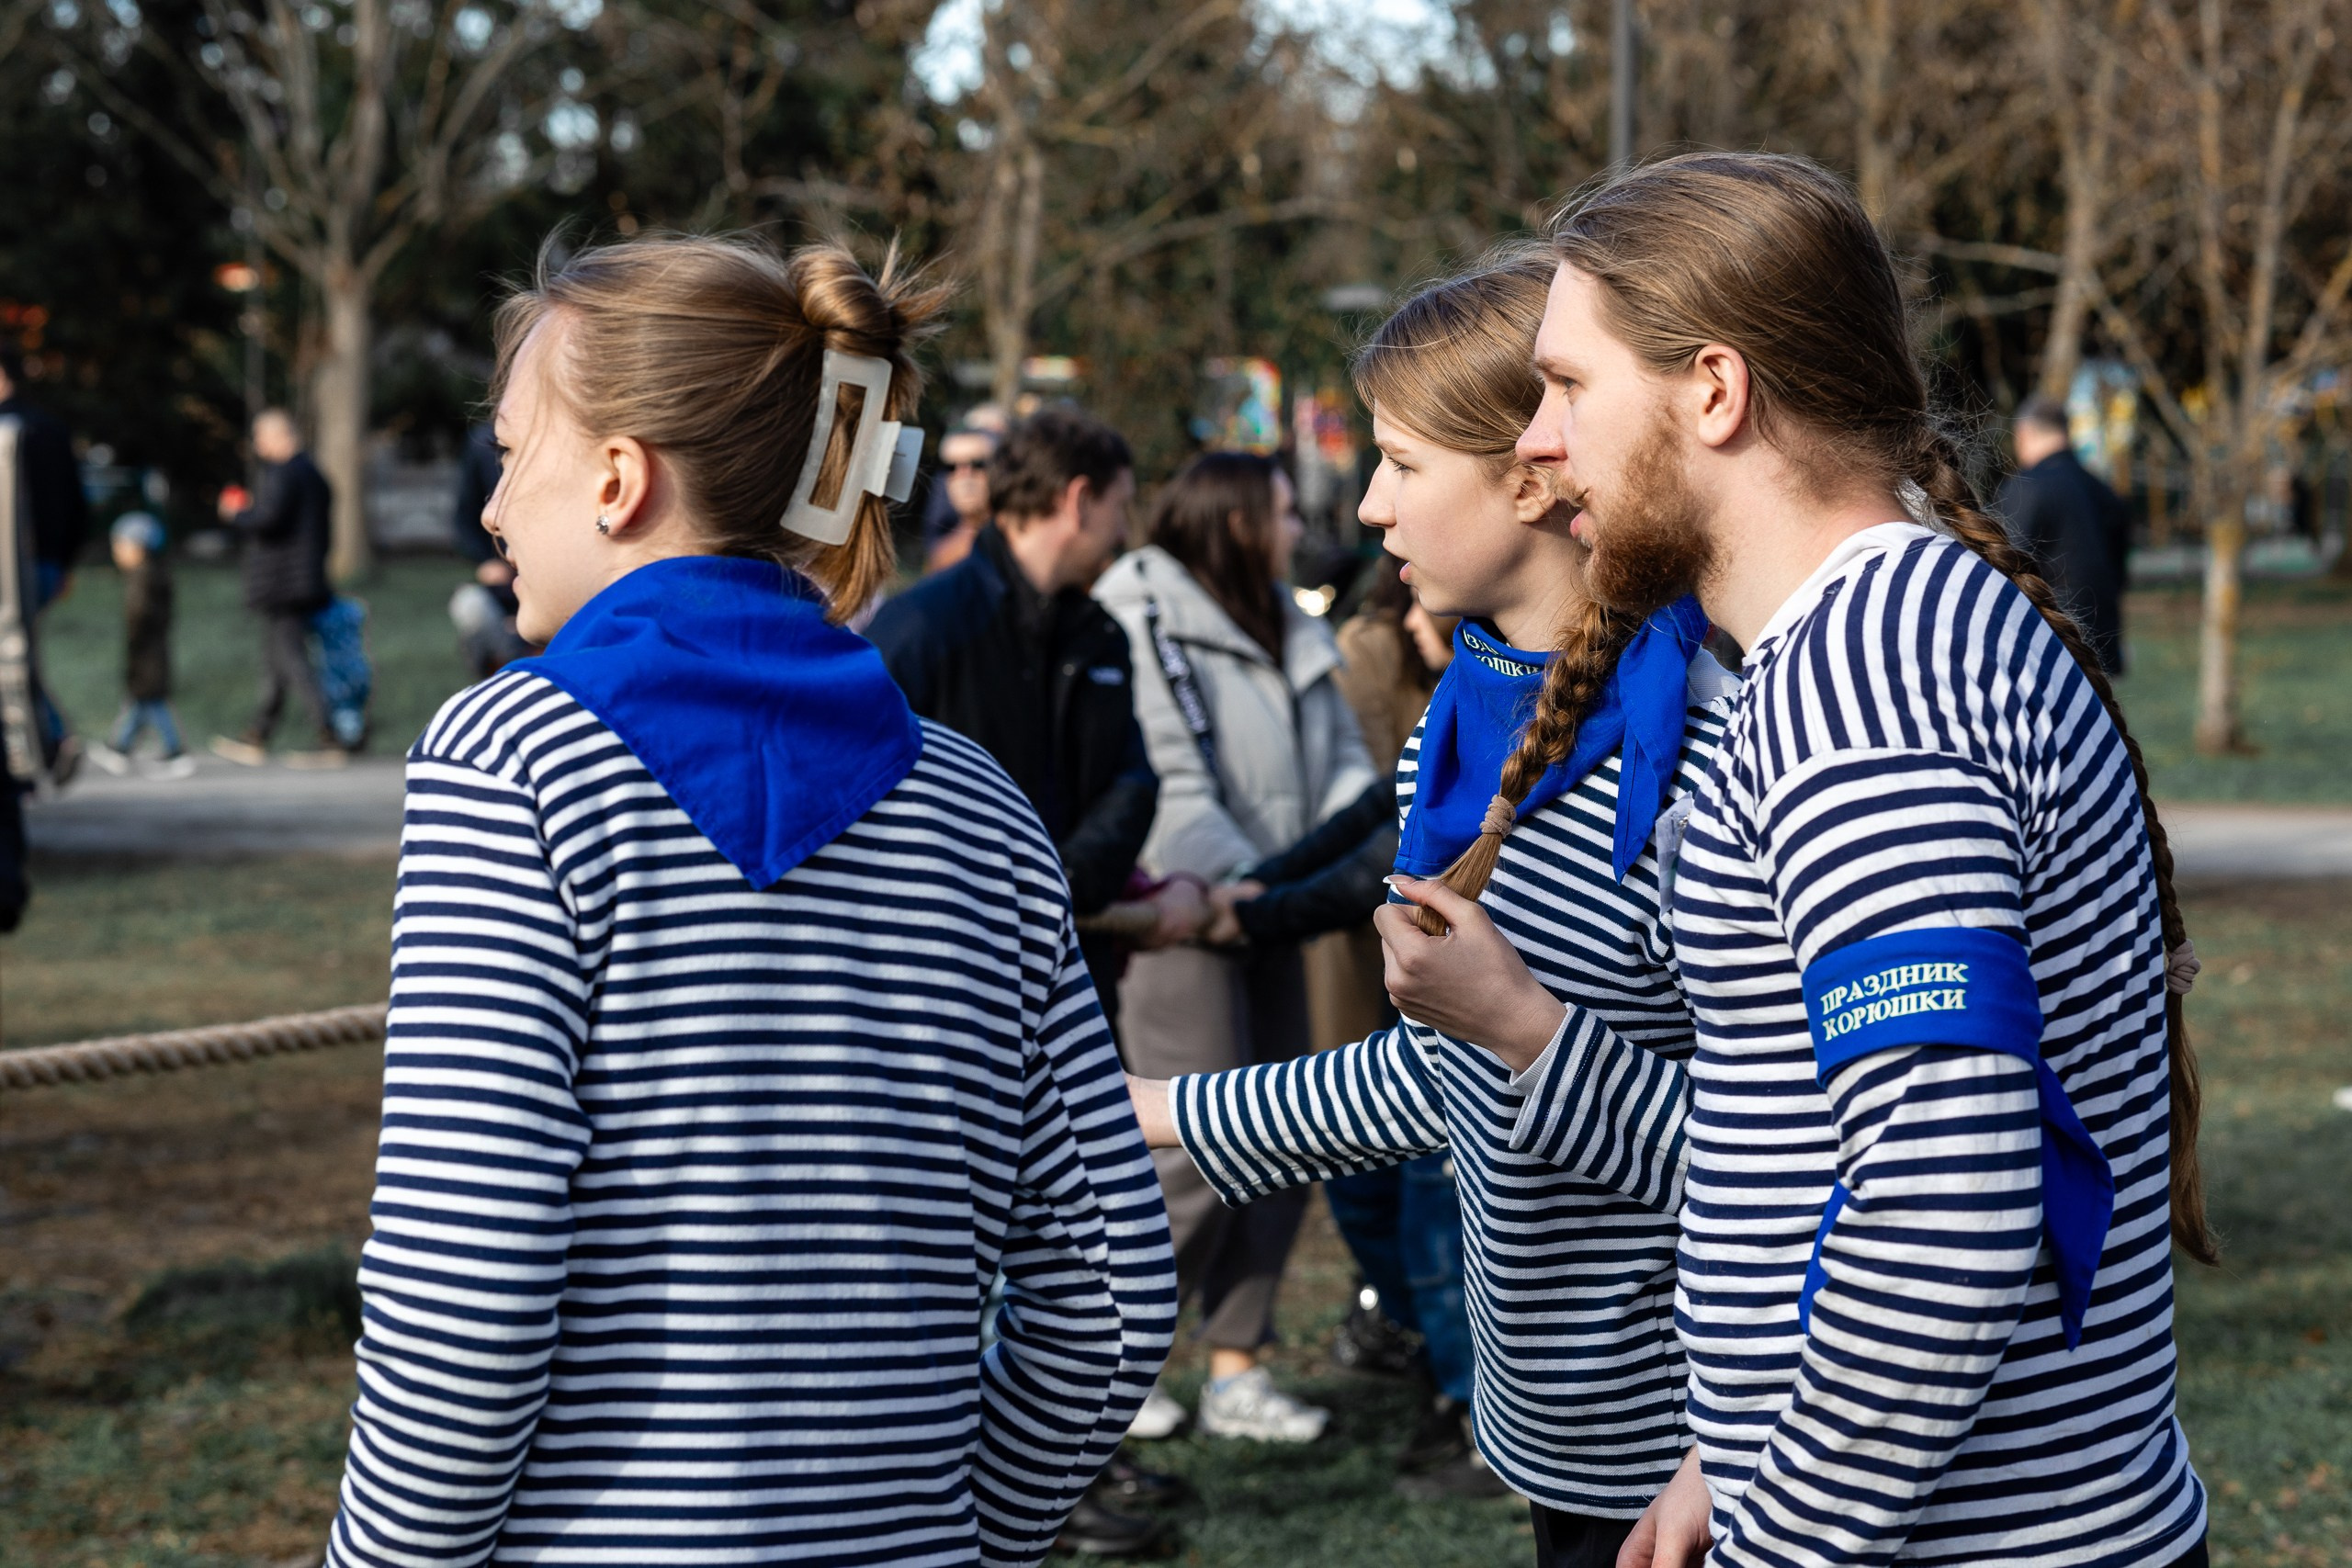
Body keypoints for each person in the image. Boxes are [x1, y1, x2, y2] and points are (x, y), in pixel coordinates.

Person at [320, 233, 1174, 1568]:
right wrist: (977, 1535)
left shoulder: (513, 765)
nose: (490, 508)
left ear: (617, 478)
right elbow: (1114, 1280)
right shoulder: (984, 807)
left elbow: (463, 1299)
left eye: (508, 453)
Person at [1407, 151, 2210, 1568]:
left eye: (1568, 387)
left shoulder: (1862, 696)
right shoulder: (1893, 634)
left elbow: (1944, 1208)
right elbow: (1820, 1144)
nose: (1534, 441)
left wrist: (1783, 1532)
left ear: (1714, 391)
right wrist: (1741, 1449)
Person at [1126, 254, 1734, 1563]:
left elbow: (1784, 1177)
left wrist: (1525, 1027)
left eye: (1401, 463)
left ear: (1530, 472)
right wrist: (1160, 1111)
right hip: (1564, 1437)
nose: (1368, 504)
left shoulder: (1694, 752)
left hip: (1711, 1457)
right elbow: (1446, 1075)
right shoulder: (1456, 733)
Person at [1095, 451, 1376, 1447]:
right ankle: (1107, 1360)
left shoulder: (1284, 615)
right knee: (1186, 1153)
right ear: (1233, 517)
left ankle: (1236, 1364)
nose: (1298, 526)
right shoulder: (1142, 611)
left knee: (1281, 1141)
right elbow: (1168, 776)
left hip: (1267, 913)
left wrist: (1288, 894)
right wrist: (1234, 894)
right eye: (1282, 509)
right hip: (1189, 915)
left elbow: (1346, 763)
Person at [869, 406, 1197, 1031]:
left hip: (1078, 987)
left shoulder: (1100, 636)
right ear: (1078, 500)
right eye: (1120, 506)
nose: (1124, 530)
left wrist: (1059, 882)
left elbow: (1132, 782)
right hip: (951, 990)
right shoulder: (922, 631)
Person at [212, 409, 336, 764]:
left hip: (283, 583)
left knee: (292, 660)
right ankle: (257, 735)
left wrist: (236, 514)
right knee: (275, 663)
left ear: (280, 435)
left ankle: (329, 734)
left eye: (260, 436)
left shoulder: (283, 473)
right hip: (302, 579)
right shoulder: (314, 474)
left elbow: (269, 519)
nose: (257, 444)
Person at [0, 340, 89, 784]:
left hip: (11, 566)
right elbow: (78, 503)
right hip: (50, 563)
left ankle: (47, 742)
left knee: (12, 655)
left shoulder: (9, 430)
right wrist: (66, 562)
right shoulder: (52, 428)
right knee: (18, 653)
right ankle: (46, 743)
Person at [1997, 394, 2132, 673]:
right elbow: (2118, 573)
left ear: (2024, 434)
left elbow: (2004, 571)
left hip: (2048, 648)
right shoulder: (2102, 490)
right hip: (2102, 645)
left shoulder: (2027, 488)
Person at [85, 513, 193, 778]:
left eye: (120, 545)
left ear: (139, 547)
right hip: (151, 651)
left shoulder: (144, 578)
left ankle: (174, 752)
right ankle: (120, 748)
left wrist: (135, 642)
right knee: (141, 702)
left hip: (147, 652)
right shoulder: (153, 575)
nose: (117, 552)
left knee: (150, 702)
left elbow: (140, 615)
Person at [448, 420, 533, 677]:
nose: (492, 517)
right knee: (469, 606)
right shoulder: (482, 442)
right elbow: (466, 518)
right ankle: (499, 677)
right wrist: (486, 561)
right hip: (503, 581)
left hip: (549, 580)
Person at [922, 421, 999, 573]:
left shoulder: (1021, 540)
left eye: (978, 464)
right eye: (951, 467)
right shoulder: (943, 553)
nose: (964, 476)